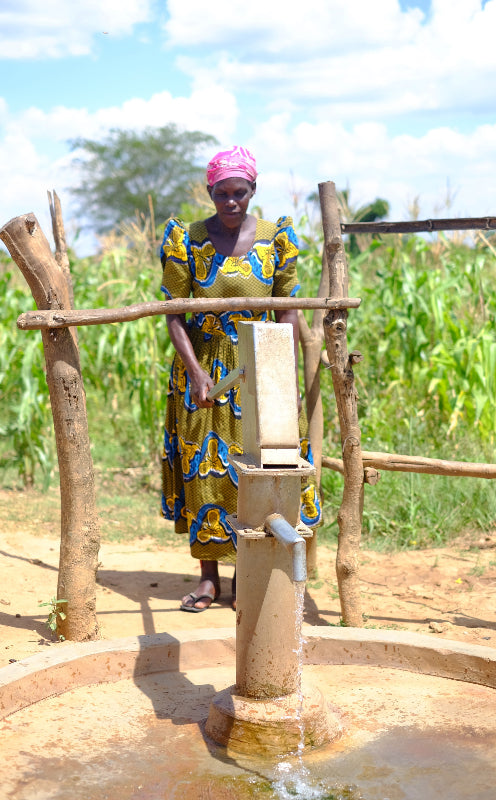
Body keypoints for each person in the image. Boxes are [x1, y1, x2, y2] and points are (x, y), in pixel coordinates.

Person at [160, 145, 321, 612]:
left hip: (260, 367)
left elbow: (288, 309)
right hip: (203, 368)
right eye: (221, 193)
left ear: (253, 191)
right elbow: (173, 314)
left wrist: (283, 375)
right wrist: (195, 373)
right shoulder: (186, 239)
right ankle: (209, 580)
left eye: (240, 193)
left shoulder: (277, 240)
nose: (231, 202)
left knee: (254, 468)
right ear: (209, 192)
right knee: (204, 472)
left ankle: (244, 576)